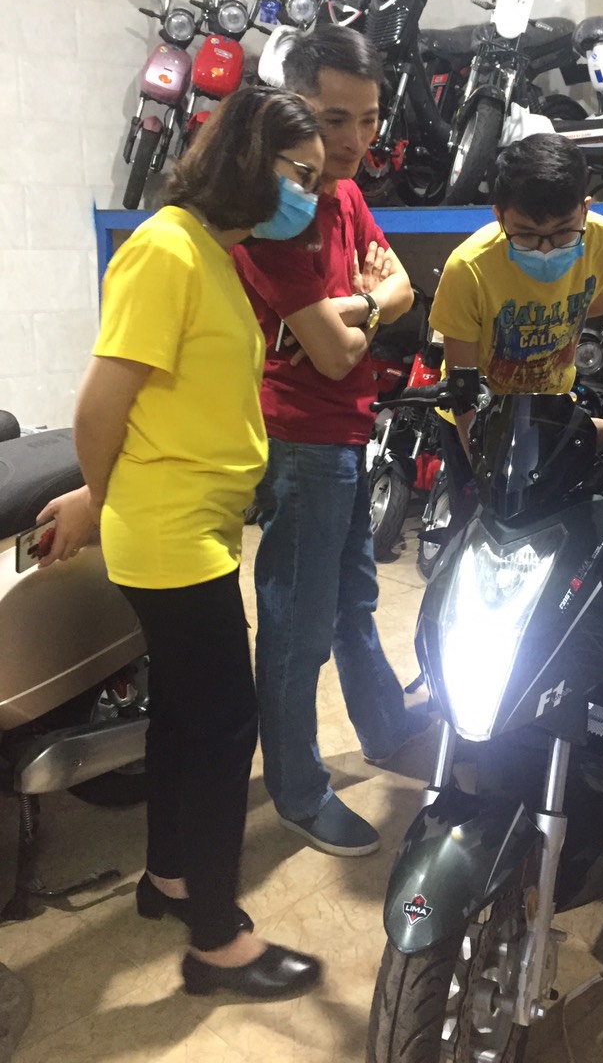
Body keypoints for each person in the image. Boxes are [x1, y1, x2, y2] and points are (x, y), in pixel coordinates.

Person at [39, 87, 324, 998]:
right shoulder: (166, 249)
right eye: (301, 173)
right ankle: (215, 939)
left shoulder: (213, 254)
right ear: (249, 158)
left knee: (186, 716)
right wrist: (101, 497)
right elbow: (100, 408)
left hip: (193, 523)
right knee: (224, 724)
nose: (309, 193)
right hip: (168, 534)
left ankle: (167, 877)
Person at [233, 26, 422, 859]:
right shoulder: (278, 213)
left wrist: (359, 307)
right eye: (333, 119)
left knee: (353, 600)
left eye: (369, 119)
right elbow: (338, 350)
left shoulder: (343, 194)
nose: (353, 141)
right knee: (298, 623)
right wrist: (370, 305)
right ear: (292, 108)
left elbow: (403, 286)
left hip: (347, 428)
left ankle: (385, 728)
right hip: (300, 437)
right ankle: (299, 792)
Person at [428, 132, 603, 520]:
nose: (546, 250)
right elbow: (462, 387)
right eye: (525, 234)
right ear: (499, 216)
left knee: (550, 525)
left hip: (552, 410)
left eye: (563, 232)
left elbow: (601, 303)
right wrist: (484, 465)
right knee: (477, 526)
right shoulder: (469, 268)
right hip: (478, 417)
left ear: (585, 209)